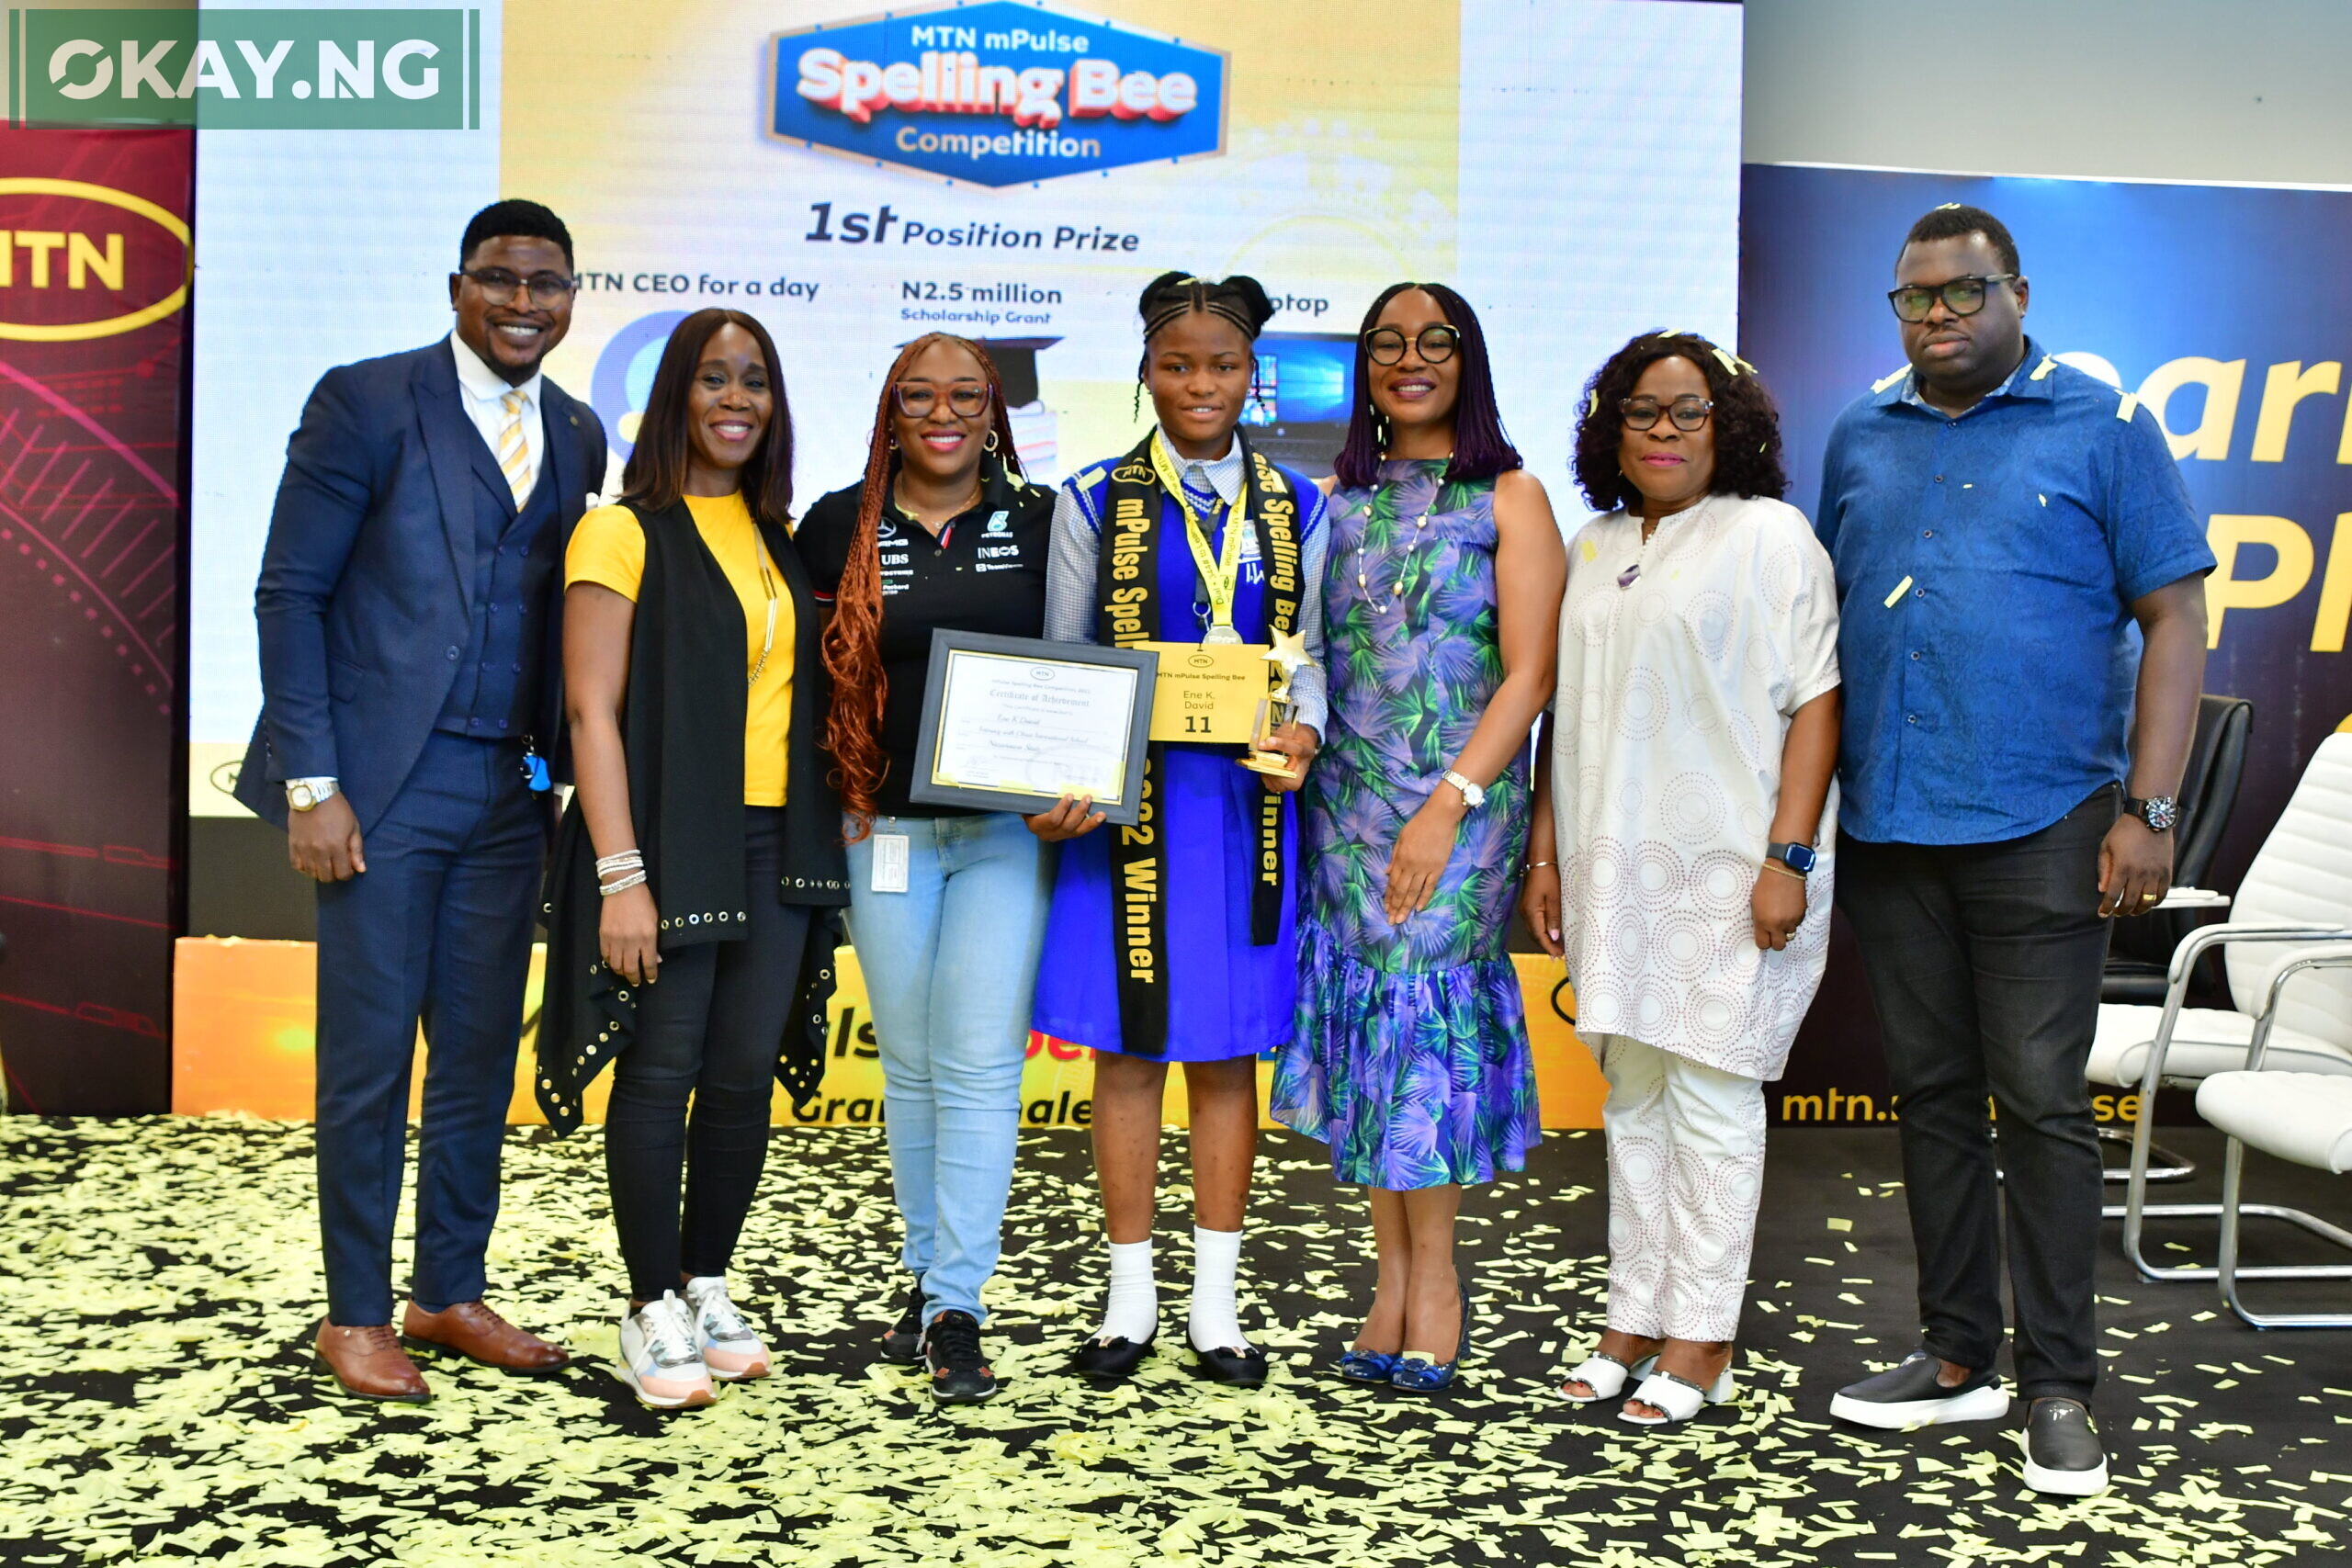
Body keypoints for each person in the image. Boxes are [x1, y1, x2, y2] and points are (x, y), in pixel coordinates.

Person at [1815, 205, 2212, 1495]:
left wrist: (2148, 811)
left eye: (1962, 292)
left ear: (2018, 294)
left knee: (2040, 1102)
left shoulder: (2105, 425)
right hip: (1889, 819)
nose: (1938, 315)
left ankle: (2058, 1384)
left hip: (2048, 820)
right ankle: (1954, 1355)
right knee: (1930, 1094)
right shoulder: (1860, 435)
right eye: (1914, 297)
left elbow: (2175, 617)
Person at [237, 200, 605, 1402]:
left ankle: (444, 1290)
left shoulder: (579, 431)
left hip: (510, 790)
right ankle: (352, 1314)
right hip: (378, 795)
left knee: (475, 1058)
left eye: (546, 282)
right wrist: (313, 784)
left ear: (568, 298)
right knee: (367, 1062)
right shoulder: (367, 400)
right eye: (501, 277)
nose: (522, 301)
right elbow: (289, 593)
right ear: (459, 286)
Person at [1526, 330, 1841, 1427]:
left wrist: (1786, 858)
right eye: (1641, 411)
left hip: (1733, 867)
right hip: (1614, 866)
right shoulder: (1591, 542)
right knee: (1636, 1098)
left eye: (1688, 410)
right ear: (1610, 427)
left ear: (1732, 423)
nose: (1663, 431)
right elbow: (1565, 715)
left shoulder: (1769, 536)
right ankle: (1630, 1319)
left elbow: (1816, 699)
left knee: (1710, 1099)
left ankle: (1701, 1336)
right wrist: (1546, 853)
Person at [536, 308, 846, 1409]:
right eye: (712, 378)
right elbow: (590, 712)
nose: (735, 399)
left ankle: (709, 1283)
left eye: (754, 380)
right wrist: (622, 876)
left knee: (737, 1081)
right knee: (660, 1075)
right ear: (674, 397)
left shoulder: (777, 536)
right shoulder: (621, 532)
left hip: (777, 847)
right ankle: (650, 1302)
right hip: (667, 845)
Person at [1029, 272, 1329, 1388]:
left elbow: (1315, 663)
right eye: (1177, 364)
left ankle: (1216, 1303)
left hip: (1246, 811)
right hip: (1131, 813)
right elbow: (1067, 656)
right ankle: (1127, 1299)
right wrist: (1063, 775)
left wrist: (1303, 730)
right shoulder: (1092, 498)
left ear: (1252, 378)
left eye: (1223, 365)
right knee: (1125, 1050)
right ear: (1146, 372)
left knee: (1221, 1056)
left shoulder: (1301, 507)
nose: (1199, 384)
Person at [1270, 283, 1561, 1393]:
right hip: (1343, 811)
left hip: (1460, 812)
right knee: (1374, 1040)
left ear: (1467, 359)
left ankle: (1434, 1285)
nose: (1409, 358)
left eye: (1433, 340)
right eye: (1386, 343)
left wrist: (1446, 803)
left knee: (1421, 1035)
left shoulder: (1511, 497)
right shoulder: (1330, 499)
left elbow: (1528, 674)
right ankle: (1384, 1283)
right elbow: (1305, 659)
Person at [797, 334, 1058, 1404]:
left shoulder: (1044, 522)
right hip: (884, 834)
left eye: (964, 396)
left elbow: (1087, 662)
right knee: (909, 1065)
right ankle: (923, 1276)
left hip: (1005, 837)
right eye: (918, 395)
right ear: (889, 408)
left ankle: (958, 1304)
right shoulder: (835, 526)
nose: (941, 413)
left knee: (981, 1063)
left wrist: (1083, 778)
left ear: (993, 410)